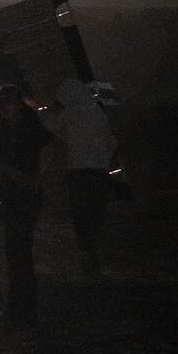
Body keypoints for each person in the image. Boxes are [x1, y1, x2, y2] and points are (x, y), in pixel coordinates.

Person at [0, 83, 56, 323]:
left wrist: (38, 176)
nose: (4, 108)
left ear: (18, 105)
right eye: (1, 104)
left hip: (25, 196)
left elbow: (53, 147)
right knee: (14, 253)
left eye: (7, 103)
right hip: (10, 195)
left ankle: (24, 306)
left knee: (21, 252)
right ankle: (18, 306)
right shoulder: (3, 131)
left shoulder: (31, 128)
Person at [47, 75, 118, 273]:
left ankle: (87, 257)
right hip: (100, 171)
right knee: (96, 212)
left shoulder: (69, 113)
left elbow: (50, 128)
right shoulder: (98, 113)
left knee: (82, 215)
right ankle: (93, 255)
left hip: (78, 172)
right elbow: (112, 143)